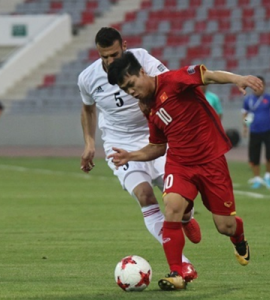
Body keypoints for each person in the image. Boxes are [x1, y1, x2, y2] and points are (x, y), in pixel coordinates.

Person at [107, 52, 263, 290]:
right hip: (179, 164)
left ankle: (238, 238)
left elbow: (208, 76)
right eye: (125, 90)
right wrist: (131, 155)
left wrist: (238, 79)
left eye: (131, 85)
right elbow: (158, 147)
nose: (131, 92)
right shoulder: (147, 107)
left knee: (225, 226)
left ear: (141, 72)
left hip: (211, 162)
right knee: (171, 207)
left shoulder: (174, 80)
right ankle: (176, 273)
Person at [78, 27, 200, 282]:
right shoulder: (87, 78)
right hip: (119, 143)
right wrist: (89, 143)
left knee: (178, 201)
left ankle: (187, 216)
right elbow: (88, 109)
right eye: (104, 57)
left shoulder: (142, 59)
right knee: (145, 196)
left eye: (113, 55)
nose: (110, 62)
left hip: (155, 137)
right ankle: (182, 265)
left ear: (124, 45)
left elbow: (169, 83)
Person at [242, 76, 270, 189]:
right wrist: (245, 125)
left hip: (268, 131)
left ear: (264, 86)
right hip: (254, 131)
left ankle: (268, 176)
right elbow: (245, 115)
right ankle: (257, 178)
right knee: (254, 156)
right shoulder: (248, 100)